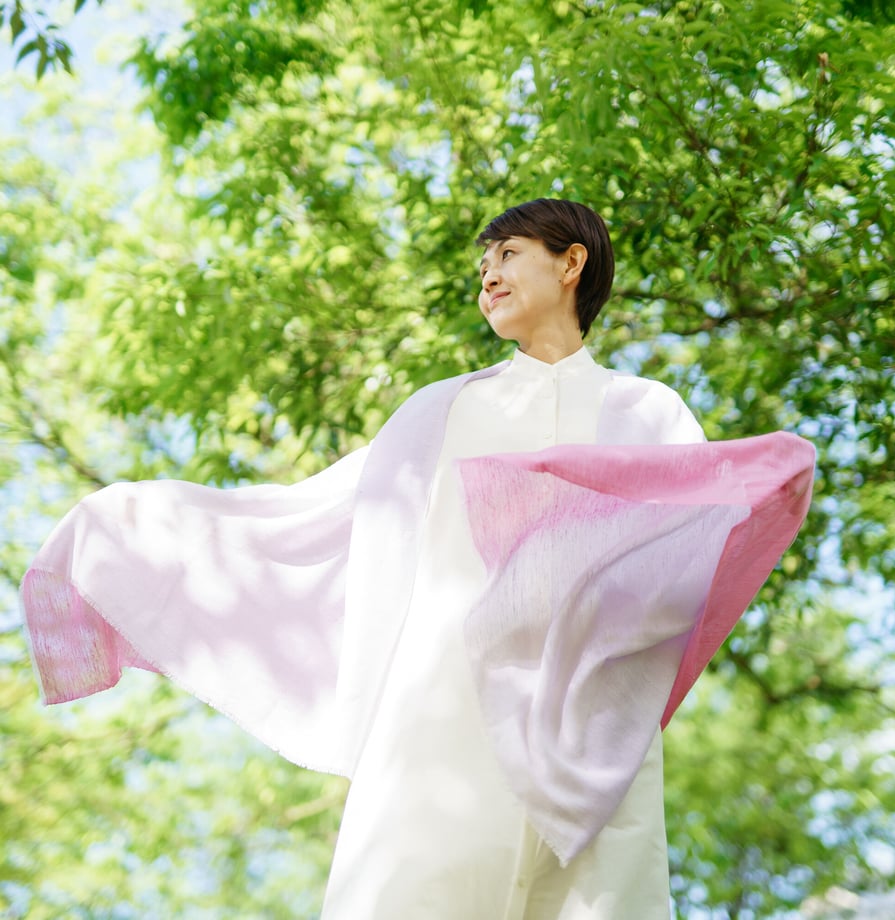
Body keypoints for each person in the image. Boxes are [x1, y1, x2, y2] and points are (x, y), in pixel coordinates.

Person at [22, 199, 815, 919]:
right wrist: (132, 522)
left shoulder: (648, 411)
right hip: (441, 710)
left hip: (594, 725)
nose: (489, 275)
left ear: (572, 262)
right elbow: (315, 514)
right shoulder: (443, 408)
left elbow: (684, 558)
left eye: (508, 254)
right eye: (484, 264)